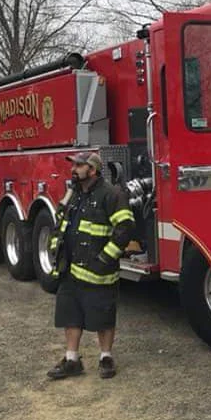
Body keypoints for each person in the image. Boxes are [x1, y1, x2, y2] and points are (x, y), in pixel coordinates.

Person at [46, 152, 134, 380]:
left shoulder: (112, 194)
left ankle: (106, 357)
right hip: (70, 268)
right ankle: (72, 360)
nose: (73, 169)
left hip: (99, 272)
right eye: (73, 165)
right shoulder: (73, 193)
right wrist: (55, 249)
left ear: (92, 170)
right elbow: (60, 221)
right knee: (70, 314)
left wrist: (105, 259)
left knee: (103, 315)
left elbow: (125, 228)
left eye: (78, 165)